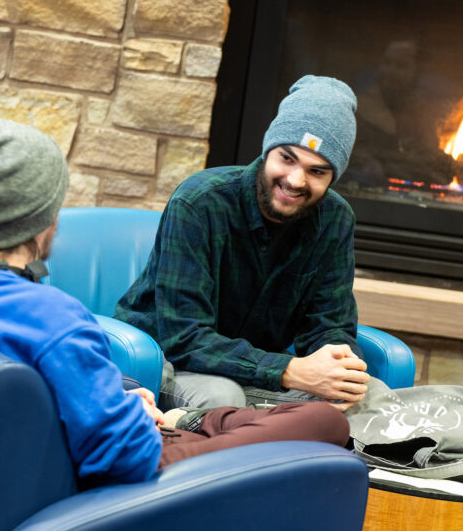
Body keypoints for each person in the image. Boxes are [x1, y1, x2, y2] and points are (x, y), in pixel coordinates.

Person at [0, 119, 349, 487]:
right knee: (323, 421)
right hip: (135, 477)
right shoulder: (56, 320)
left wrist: (117, 398)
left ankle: (187, 419)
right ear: (44, 217)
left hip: (42, 458)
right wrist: (131, 421)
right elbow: (120, 458)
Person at [116, 75, 373, 412]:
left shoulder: (336, 220)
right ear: (268, 150)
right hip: (166, 361)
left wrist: (338, 367)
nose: (296, 180)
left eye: (317, 171)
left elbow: (330, 325)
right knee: (225, 400)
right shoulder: (199, 203)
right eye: (287, 158)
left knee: (367, 398)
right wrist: (291, 371)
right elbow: (185, 338)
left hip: (253, 367)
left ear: (331, 177)